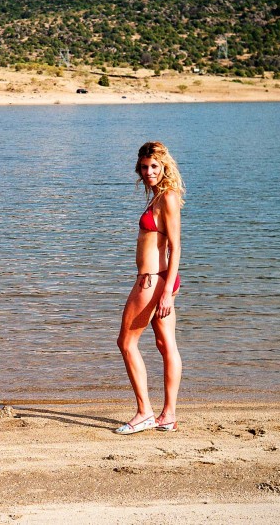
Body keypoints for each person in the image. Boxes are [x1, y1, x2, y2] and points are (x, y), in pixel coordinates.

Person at [115, 141, 185, 435]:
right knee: (164, 344)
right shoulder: (157, 196)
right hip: (161, 278)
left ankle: (145, 412)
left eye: (154, 166)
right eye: (144, 167)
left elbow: (176, 246)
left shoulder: (167, 198)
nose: (148, 172)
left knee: (126, 343)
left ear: (164, 166)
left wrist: (166, 291)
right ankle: (167, 415)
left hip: (153, 280)